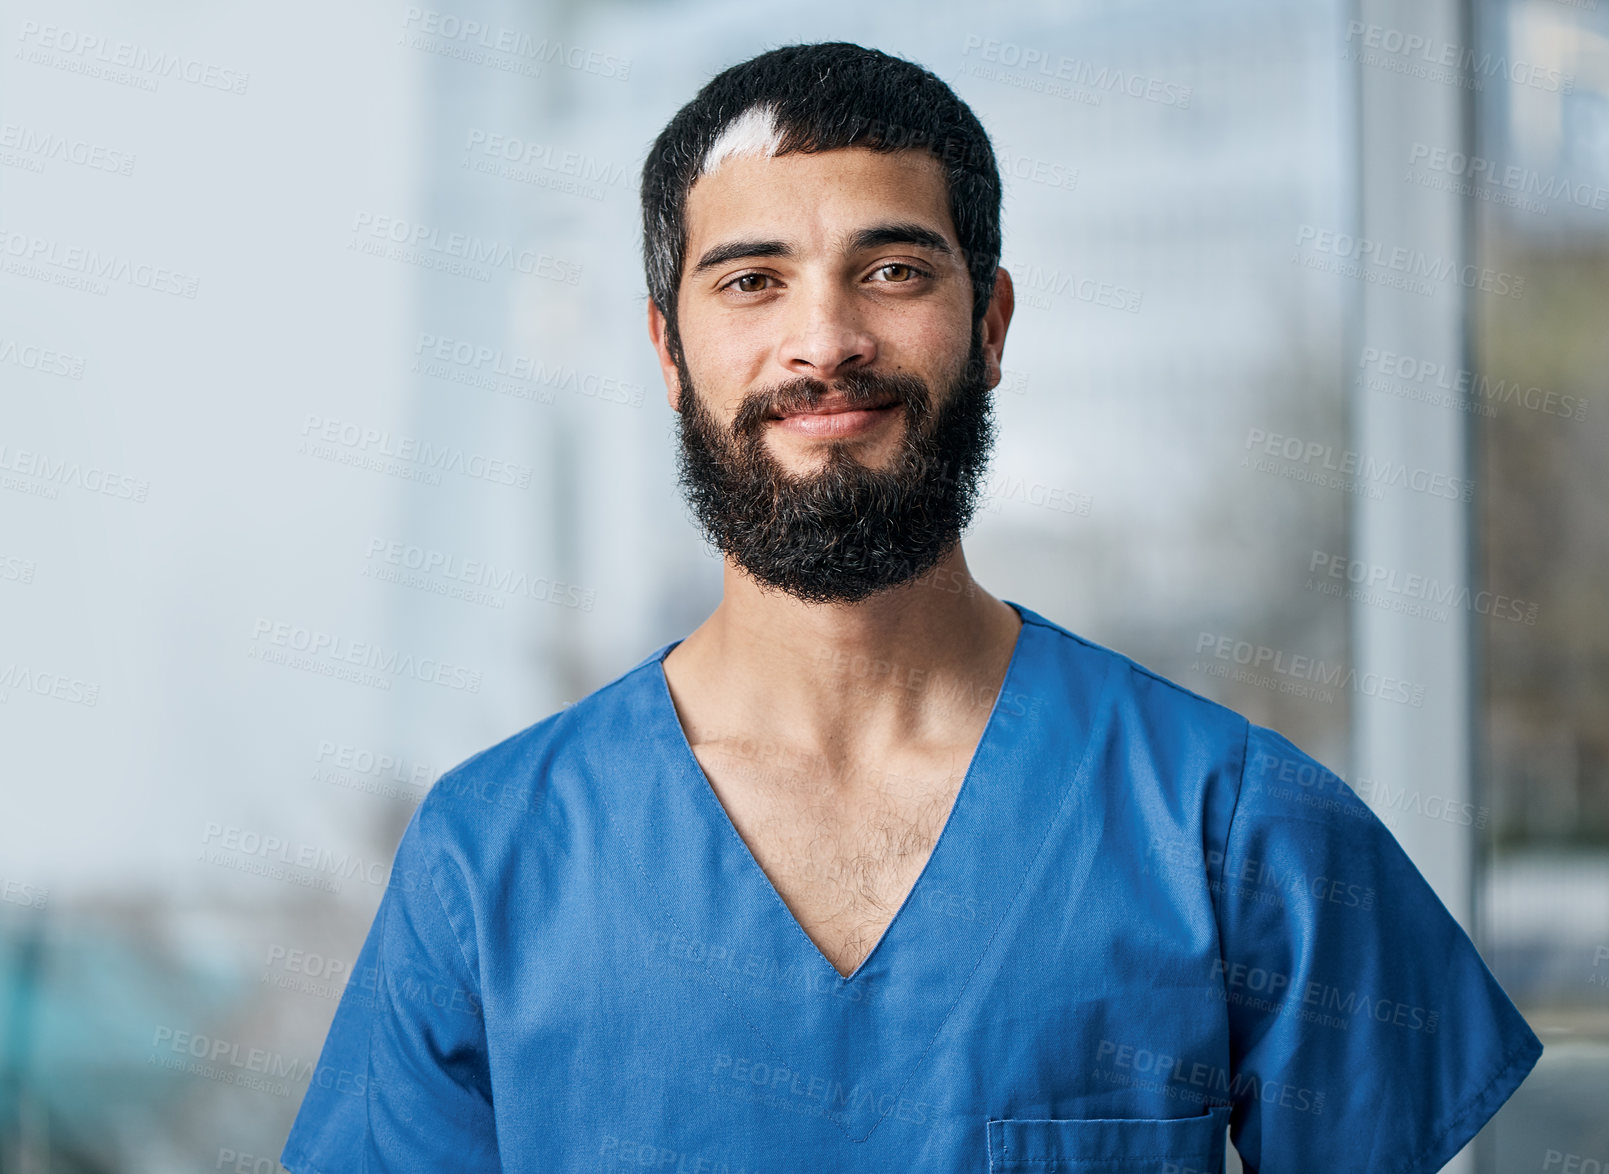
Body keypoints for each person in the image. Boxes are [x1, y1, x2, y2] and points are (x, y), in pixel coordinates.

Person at [281, 41, 1541, 1174]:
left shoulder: (1232, 824)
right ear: (668, 352)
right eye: (750, 282)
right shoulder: (489, 862)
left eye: (889, 269)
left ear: (989, 324)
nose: (824, 340)